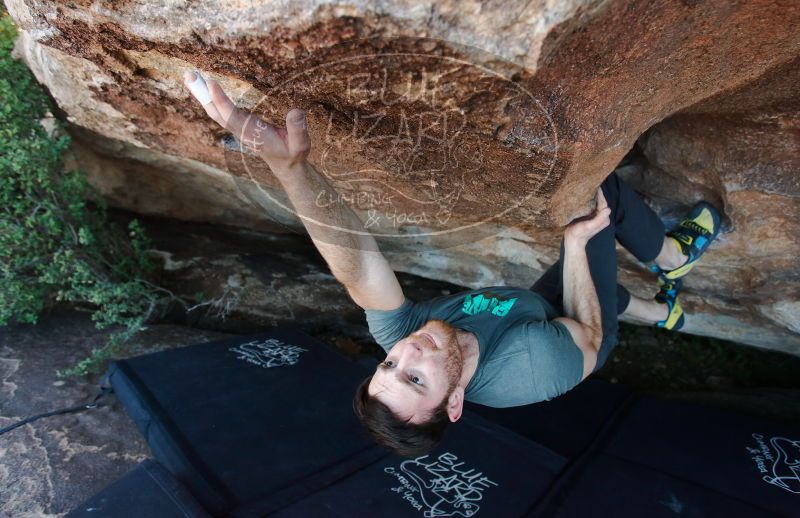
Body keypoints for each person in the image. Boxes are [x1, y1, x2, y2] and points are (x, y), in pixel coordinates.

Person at [184, 71, 721, 457]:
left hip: (531, 309)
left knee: (600, 286)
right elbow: (586, 327)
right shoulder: (529, 367)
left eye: (388, 366)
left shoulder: (406, 335)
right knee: (592, 203)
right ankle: (673, 257)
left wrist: (289, 167)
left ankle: (664, 315)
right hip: (580, 336)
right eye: (417, 379)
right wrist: (577, 245)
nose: (406, 353)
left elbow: (355, 265)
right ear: (456, 402)